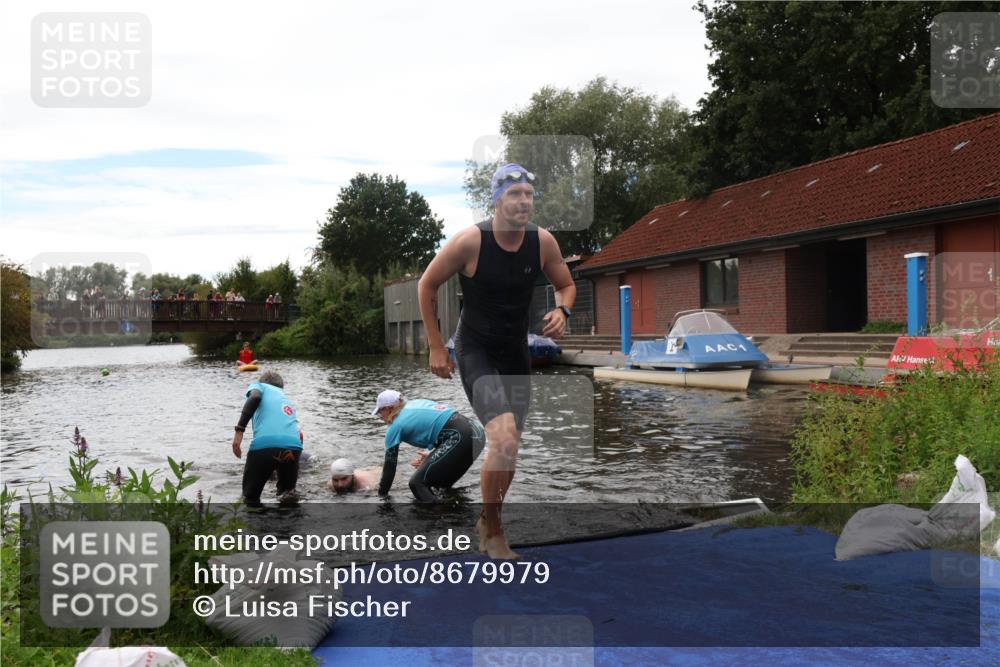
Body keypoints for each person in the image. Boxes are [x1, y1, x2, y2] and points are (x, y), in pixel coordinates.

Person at [417, 163, 576, 558]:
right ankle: (493, 531)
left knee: (510, 446)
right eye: (514, 194)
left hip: (515, 351)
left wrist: (563, 310)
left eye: (529, 194)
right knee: (502, 438)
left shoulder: (543, 242)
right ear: (497, 200)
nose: (524, 201)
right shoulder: (470, 242)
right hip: (476, 349)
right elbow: (427, 284)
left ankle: (489, 518)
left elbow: (566, 284)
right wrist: (436, 346)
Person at [371, 389, 485, 503]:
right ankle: (452, 511)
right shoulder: (416, 403)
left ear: (388, 408)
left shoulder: (395, 426)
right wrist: (437, 455)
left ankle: (437, 512)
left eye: (380, 412)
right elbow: (442, 422)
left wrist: (381, 496)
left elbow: (389, 468)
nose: (380, 417)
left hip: (460, 437)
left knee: (417, 484)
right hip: (477, 432)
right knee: (440, 485)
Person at [231, 370, 302, 507]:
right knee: (287, 496)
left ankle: (256, 519)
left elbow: (255, 397)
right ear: (281, 387)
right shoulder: (286, 400)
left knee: (250, 497)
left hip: (265, 445)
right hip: (294, 446)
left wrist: (239, 431)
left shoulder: (260, 386)